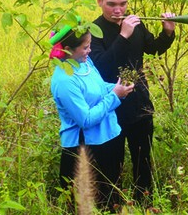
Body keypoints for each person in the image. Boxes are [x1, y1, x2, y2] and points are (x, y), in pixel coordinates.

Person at [89, 0, 176, 206]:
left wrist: (167, 33)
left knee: (143, 161)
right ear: (99, 1)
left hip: (139, 104)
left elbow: (153, 48)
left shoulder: (135, 23)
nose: (118, 10)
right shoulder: (94, 31)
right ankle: (111, 207)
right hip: (110, 107)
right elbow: (102, 65)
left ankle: (144, 205)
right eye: (111, 4)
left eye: (123, 4)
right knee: (110, 164)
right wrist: (123, 36)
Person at [50, 25, 134, 211]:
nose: (89, 50)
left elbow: (99, 87)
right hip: (85, 148)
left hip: (108, 138)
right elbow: (85, 120)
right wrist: (114, 96)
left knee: (110, 199)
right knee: (85, 205)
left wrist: (117, 88)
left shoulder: (85, 63)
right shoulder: (65, 81)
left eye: (89, 45)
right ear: (68, 50)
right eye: (85, 47)